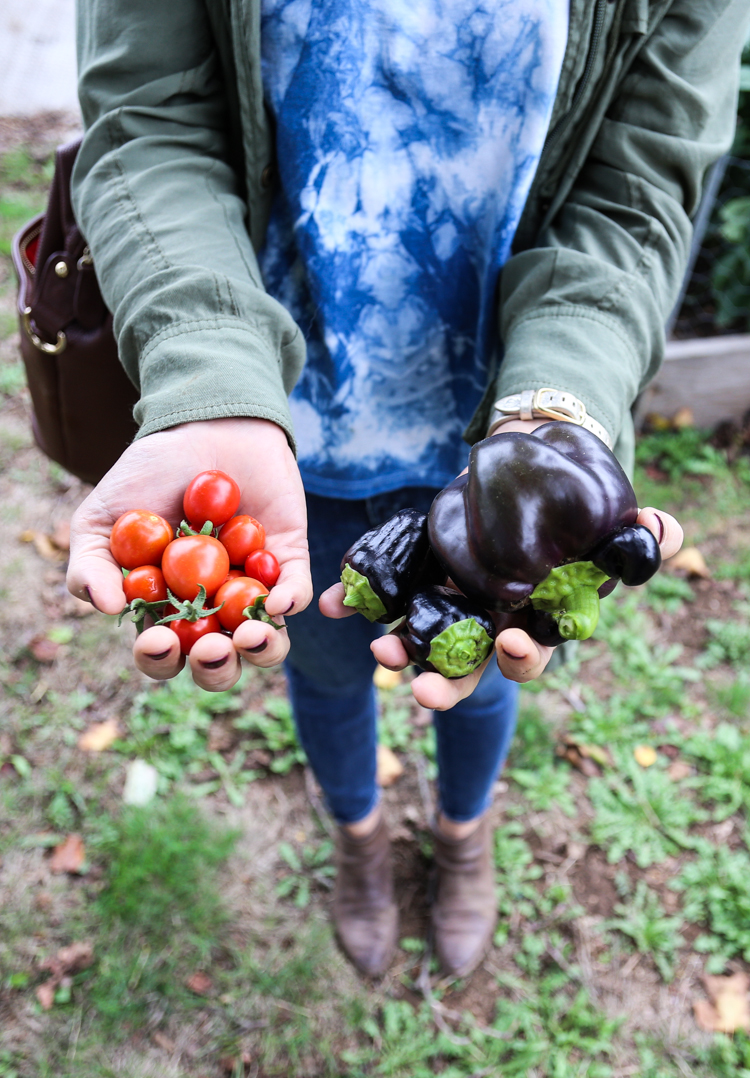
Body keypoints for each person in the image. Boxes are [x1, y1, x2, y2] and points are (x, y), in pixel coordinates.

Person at [66, 0, 746, 978]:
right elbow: (154, 120)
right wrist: (207, 376)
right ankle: (359, 834)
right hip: (282, 426)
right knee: (328, 664)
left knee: (480, 674)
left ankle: (464, 831)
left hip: (502, 441)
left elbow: (634, 189)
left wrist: (561, 410)